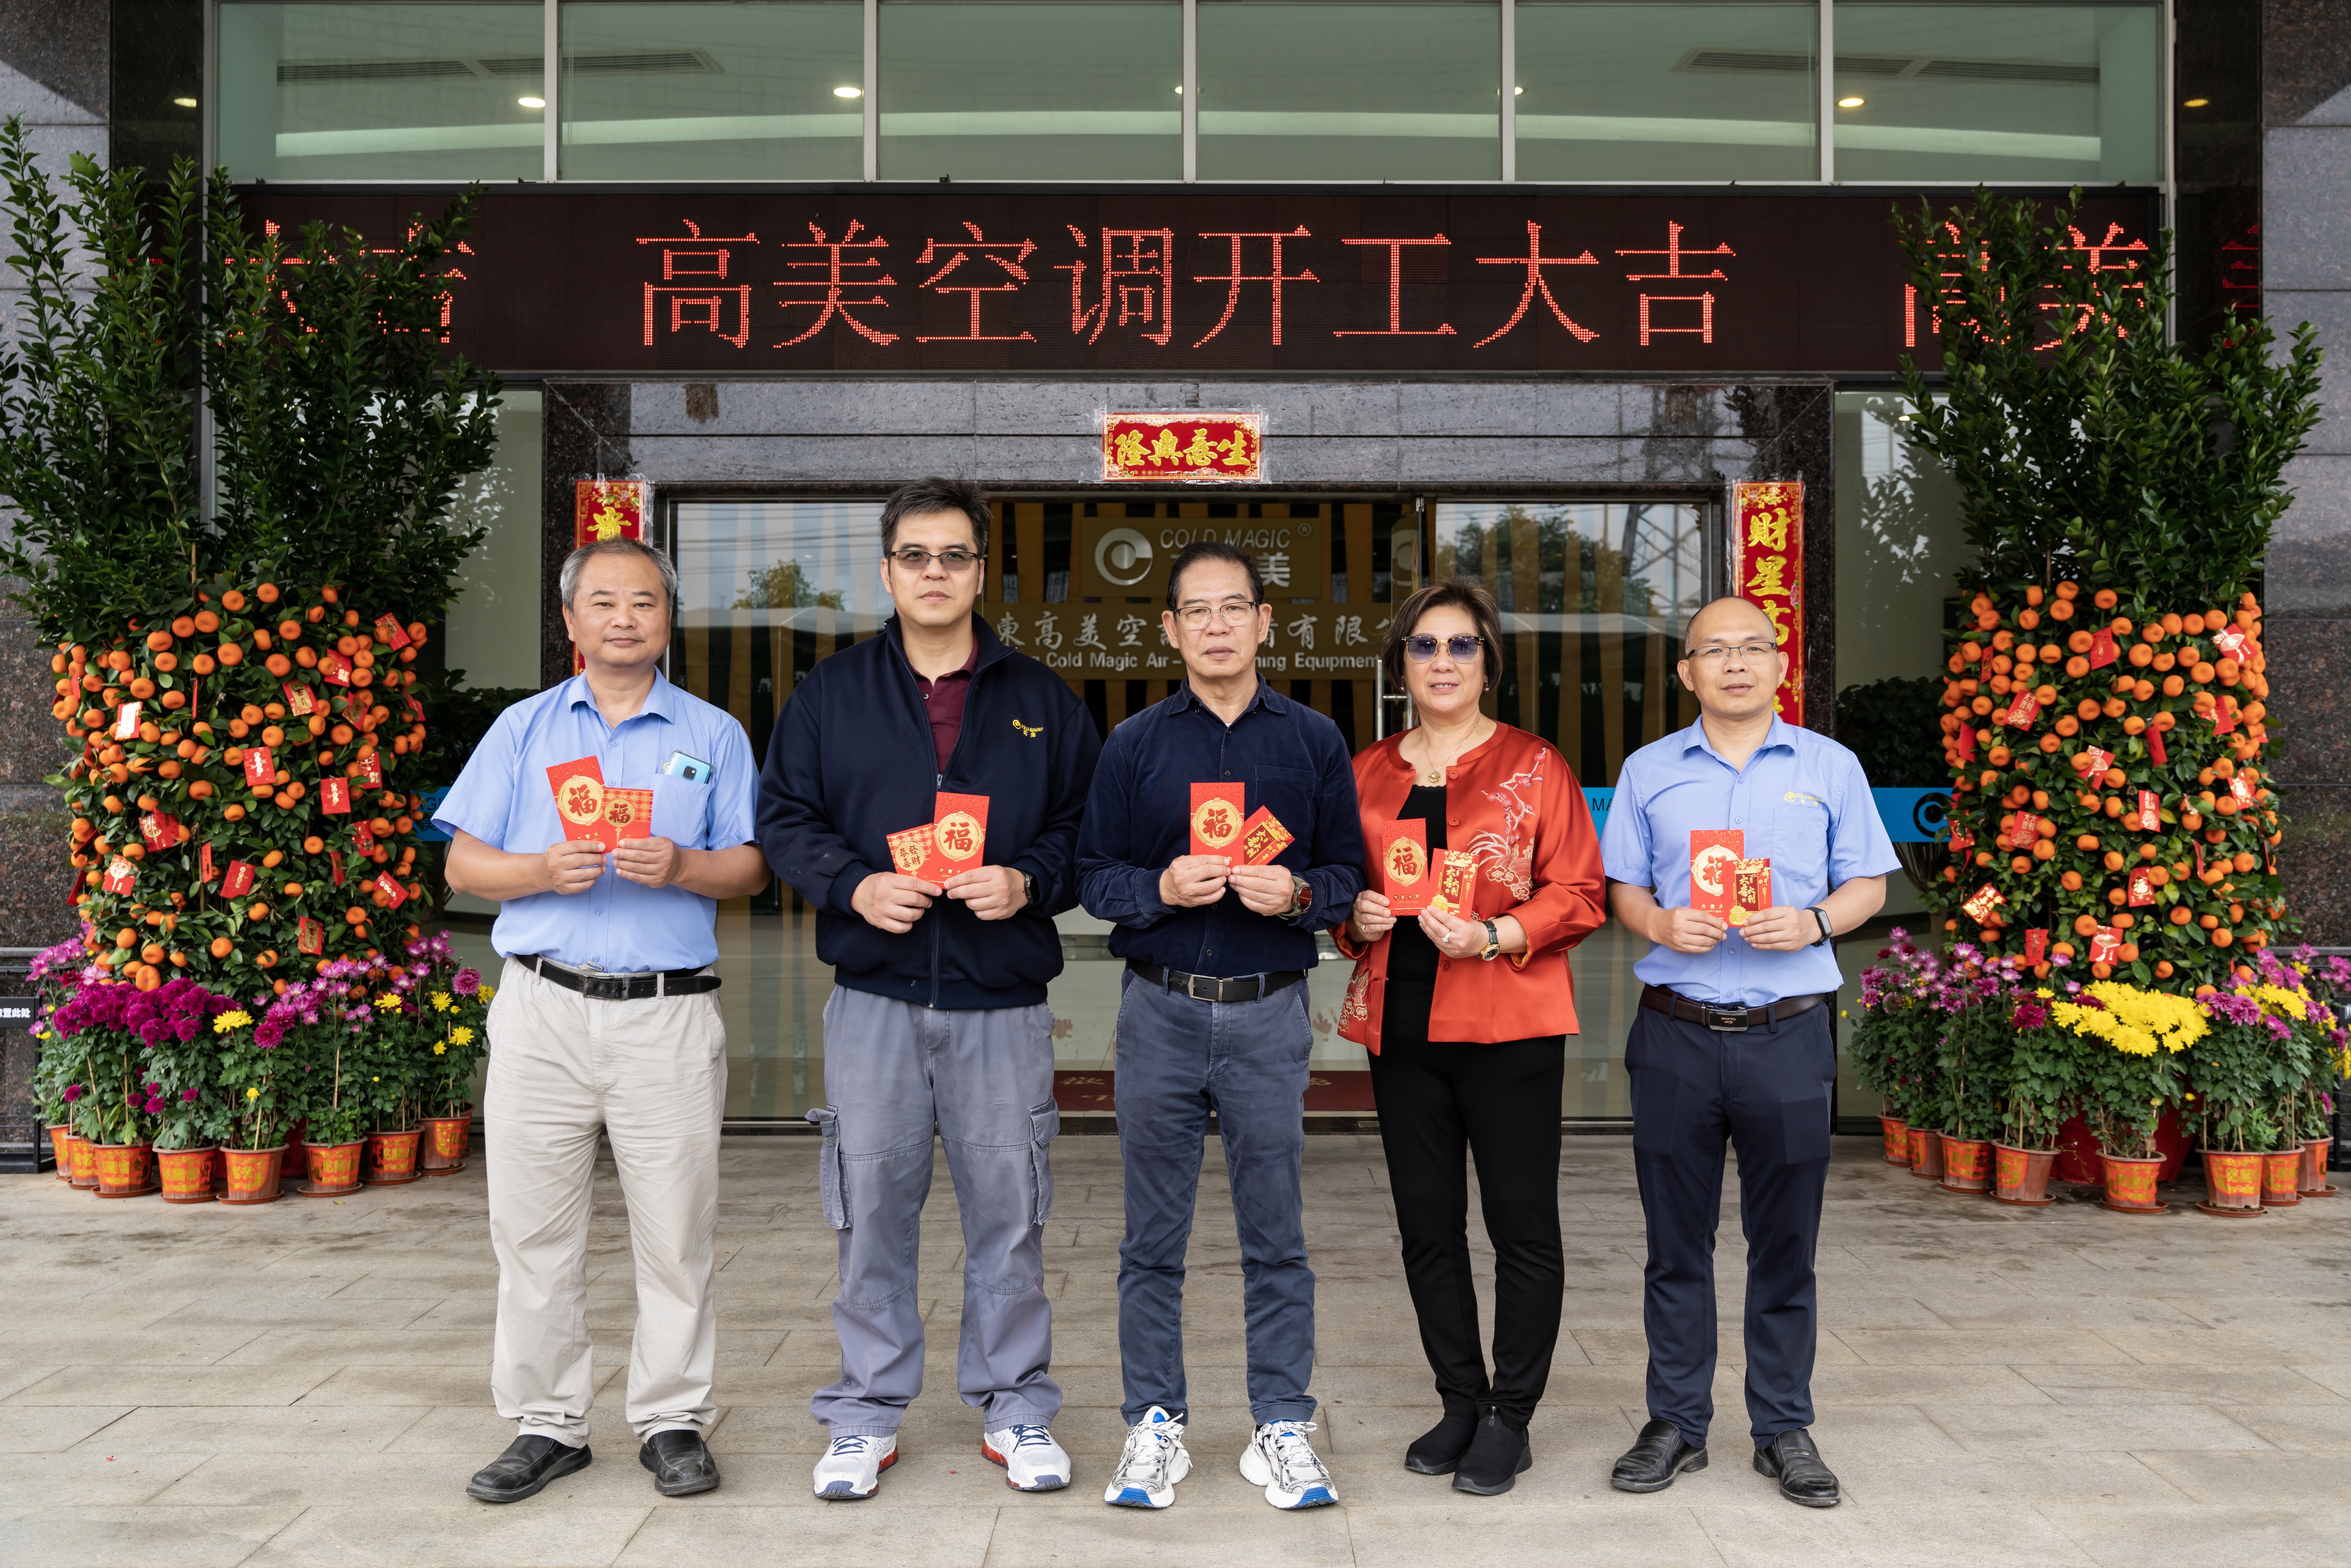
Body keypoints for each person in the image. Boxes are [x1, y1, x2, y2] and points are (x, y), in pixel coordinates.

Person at [758, 477, 1101, 1500]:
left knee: (1011, 1211)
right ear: (887, 569)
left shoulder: (1041, 699)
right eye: (916, 555)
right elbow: (784, 819)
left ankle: (1016, 1402)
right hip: (876, 996)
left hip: (1003, 1001)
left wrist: (1028, 878)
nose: (936, 572)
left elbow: (1088, 829)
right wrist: (854, 884)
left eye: (955, 554)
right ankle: (865, 1410)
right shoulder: (832, 692)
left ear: (981, 570)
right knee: (870, 1208)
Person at [437, 536, 770, 1505]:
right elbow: (463, 864)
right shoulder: (522, 729)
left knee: (677, 1229)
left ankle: (673, 1417)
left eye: (645, 602)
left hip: (667, 1011)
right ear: (570, 620)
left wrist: (685, 865)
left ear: (668, 618)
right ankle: (548, 1422)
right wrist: (541, 869)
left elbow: (751, 865)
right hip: (542, 1005)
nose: (625, 618)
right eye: (604, 602)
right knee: (532, 1228)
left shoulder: (712, 733)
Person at [1077, 540, 1366, 1513]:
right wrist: (1158, 886)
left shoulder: (1314, 740)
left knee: (1275, 1233)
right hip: (1159, 1009)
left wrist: (1299, 895)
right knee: (1151, 1237)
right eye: (1195, 610)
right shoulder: (1134, 744)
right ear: (1169, 628)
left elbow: (1348, 874)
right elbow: (1093, 876)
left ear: (1263, 622)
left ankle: (1281, 1422)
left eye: (1232, 607)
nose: (1215, 625)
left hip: (1269, 1011)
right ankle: (1154, 1422)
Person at [1598, 596, 1895, 1509]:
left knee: (1786, 1244)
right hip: (1676, 1032)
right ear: (1686, 672)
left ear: (1780, 665)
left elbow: (1869, 883)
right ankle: (1677, 1423)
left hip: (1789, 1032)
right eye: (1714, 650)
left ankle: (1783, 1427)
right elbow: (1622, 887)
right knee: (1674, 1245)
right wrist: (1660, 922)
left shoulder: (1830, 765)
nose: (1735, 663)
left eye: (1753, 648)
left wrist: (1813, 920)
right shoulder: (1649, 771)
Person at [1334, 579, 1606, 1496]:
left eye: (1461, 645)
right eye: (1424, 645)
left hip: (1509, 1022)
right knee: (1427, 1225)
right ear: (1401, 664)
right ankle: (1460, 1399)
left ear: (1489, 663)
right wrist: (1354, 918)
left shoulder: (1535, 763)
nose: (1442, 661)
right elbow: (1338, 888)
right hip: (1400, 1025)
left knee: (1521, 1224)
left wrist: (1494, 933)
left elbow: (1581, 892)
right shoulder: (1367, 770)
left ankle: (1511, 1415)